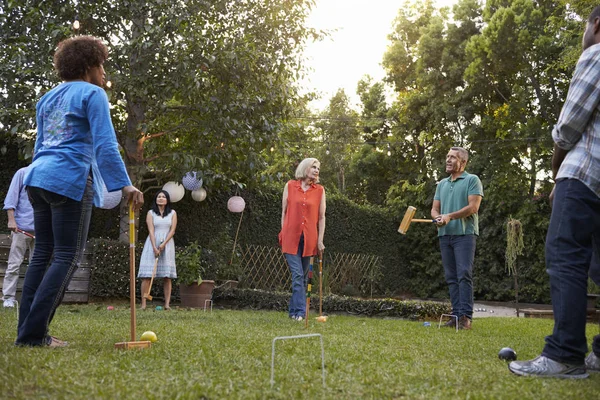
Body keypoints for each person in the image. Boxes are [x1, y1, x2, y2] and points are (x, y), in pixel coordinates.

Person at [16, 36, 143, 347]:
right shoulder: (92, 94)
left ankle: (28, 332)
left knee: (42, 255)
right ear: (89, 66)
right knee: (66, 256)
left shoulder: (47, 98)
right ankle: (33, 336)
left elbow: (40, 146)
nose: (103, 74)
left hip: (36, 179)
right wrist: (123, 183)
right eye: (101, 66)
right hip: (68, 180)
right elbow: (104, 144)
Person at [508, 7, 600, 379]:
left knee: (565, 257)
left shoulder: (595, 54)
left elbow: (568, 126)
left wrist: (557, 172)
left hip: (584, 176)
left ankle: (564, 354)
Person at [431, 147, 483, 330]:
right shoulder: (442, 184)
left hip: (464, 235)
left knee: (464, 275)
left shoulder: (472, 180)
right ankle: (455, 315)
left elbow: (473, 207)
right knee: (451, 277)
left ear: (463, 162)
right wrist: (438, 217)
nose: (448, 160)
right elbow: (435, 208)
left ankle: (465, 318)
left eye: (452, 157)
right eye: (447, 156)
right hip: (445, 235)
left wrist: (450, 216)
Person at [279, 158, 326, 321]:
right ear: (305, 168)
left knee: (304, 277)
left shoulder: (320, 190)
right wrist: (283, 233)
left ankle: (293, 312)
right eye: (314, 167)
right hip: (290, 237)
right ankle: (300, 313)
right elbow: (284, 212)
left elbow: (321, 217)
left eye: (318, 168)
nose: (316, 170)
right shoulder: (290, 186)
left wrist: (320, 240)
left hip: (310, 240)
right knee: (298, 275)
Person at [138, 190, 177, 310]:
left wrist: (164, 244)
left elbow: (172, 230)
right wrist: (155, 246)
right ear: (155, 199)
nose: (160, 198)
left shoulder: (172, 213)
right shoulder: (150, 213)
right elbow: (151, 230)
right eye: (158, 196)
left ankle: (167, 304)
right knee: (147, 276)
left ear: (167, 200)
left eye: (163, 197)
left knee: (167, 277)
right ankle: (143, 304)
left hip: (167, 244)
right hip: (152, 243)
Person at [2, 167, 35, 308]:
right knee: (14, 264)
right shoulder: (22, 173)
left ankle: (33, 298)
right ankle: (8, 297)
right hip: (21, 228)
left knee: (37, 267)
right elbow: (11, 198)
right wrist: (11, 220)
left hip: (42, 231)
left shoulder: (49, 174)